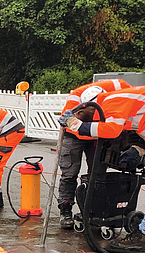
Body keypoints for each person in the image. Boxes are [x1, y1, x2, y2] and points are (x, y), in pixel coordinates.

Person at [56, 79, 131, 229]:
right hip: (74, 134)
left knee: (98, 173)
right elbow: (68, 122)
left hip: (98, 134)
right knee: (69, 173)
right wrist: (76, 124)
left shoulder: (119, 90)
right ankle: (65, 210)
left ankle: (94, 209)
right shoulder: (74, 102)